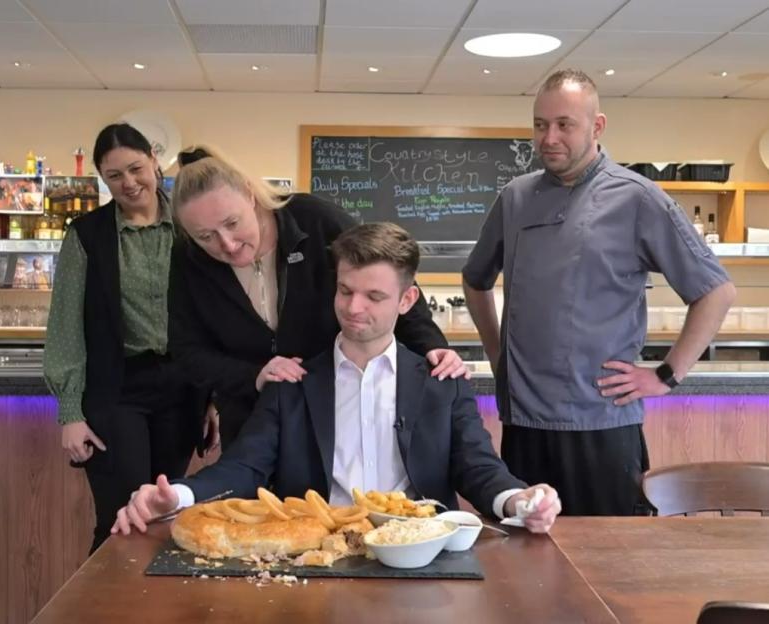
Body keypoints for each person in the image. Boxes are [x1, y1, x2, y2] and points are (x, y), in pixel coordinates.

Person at [113, 222, 561, 535]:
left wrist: (518, 501)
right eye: (346, 291)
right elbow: (243, 467)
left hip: (420, 553)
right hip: (315, 554)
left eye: (374, 296)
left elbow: (478, 467)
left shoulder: (441, 381)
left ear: (407, 300)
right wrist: (178, 497)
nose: (353, 308)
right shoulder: (293, 383)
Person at [462, 69, 736, 516]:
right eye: (540, 125)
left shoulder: (638, 199)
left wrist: (666, 375)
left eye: (564, 125)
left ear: (597, 126)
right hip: (525, 424)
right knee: (525, 561)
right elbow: (476, 279)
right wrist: (498, 355)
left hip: (602, 426)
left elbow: (716, 292)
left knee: (610, 560)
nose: (549, 137)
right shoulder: (515, 198)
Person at [167, 150, 468, 448]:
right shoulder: (188, 258)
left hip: (332, 406)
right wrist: (253, 376)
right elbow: (187, 350)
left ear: (250, 194)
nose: (228, 245)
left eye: (232, 223)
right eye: (206, 237)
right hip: (250, 415)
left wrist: (432, 346)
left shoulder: (315, 220)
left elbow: (389, 277)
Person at [43, 123, 216, 554]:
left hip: (182, 389)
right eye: (114, 175)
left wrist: (214, 396)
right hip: (117, 391)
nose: (129, 182)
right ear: (102, 179)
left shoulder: (188, 225)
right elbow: (65, 325)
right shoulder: (86, 236)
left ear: (155, 161)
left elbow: (214, 314)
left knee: (166, 515)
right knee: (122, 518)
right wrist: (69, 412)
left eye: (136, 168)